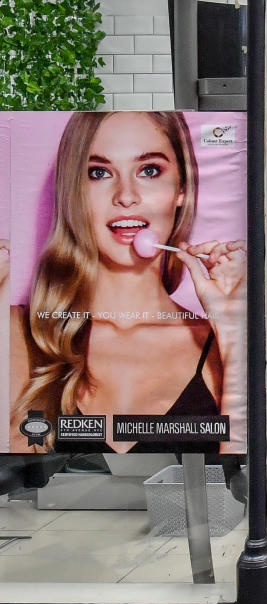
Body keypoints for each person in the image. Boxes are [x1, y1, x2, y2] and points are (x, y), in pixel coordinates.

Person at [9, 111, 247, 455]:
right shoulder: (21, 333)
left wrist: (236, 334)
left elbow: (240, 489)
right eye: (99, 173)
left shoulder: (221, 345)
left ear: (181, 189)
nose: (125, 195)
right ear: (74, 192)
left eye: (149, 170)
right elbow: (14, 487)